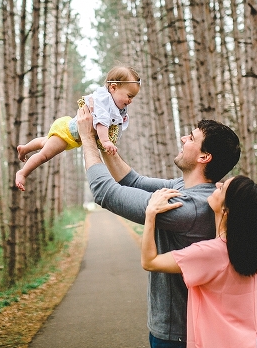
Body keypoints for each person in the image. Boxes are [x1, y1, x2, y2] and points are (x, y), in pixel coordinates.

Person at [77, 104, 241, 348]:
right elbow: (132, 181)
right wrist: (104, 143)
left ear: (204, 157)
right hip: (174, 330)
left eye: (192, 138)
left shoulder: (188, 206)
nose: (183, 138)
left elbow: (105, 193)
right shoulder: (186, 188)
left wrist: (87, 139)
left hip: (178, 334)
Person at [142, 176, 257, 348]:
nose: (217, 184)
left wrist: (150, 213)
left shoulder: (211, 253)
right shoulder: (254, 249)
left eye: (222, 188)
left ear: (226, 211)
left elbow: (150, 261)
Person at [15, 65, 140, 191]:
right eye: (129, 96)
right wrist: (105, 141)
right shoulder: (103, 101)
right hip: (66, 134)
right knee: (44, 155)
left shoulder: (113, 102)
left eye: (133, 97)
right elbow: (101, 121)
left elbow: (115, 120)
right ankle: (23, 173)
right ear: (113, 87)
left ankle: (25, 148)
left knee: (45, 142)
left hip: (66, 126)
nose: (130, 101)